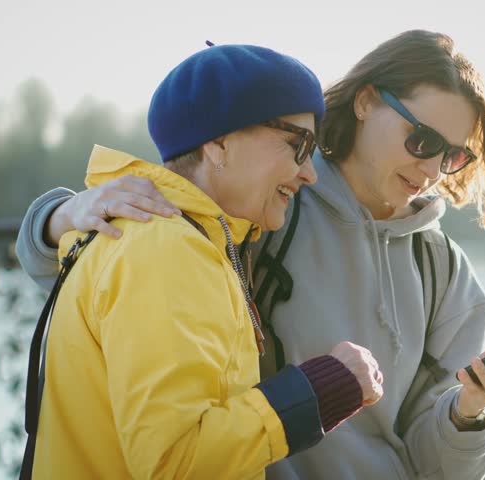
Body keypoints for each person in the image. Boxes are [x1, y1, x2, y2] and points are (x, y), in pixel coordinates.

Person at [16, 30, 485, 479]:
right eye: (421, 140)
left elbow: (440, 466)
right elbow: (111, 283)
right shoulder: (258, 214)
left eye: (452, 155)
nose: (432, 169)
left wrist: (471, 413)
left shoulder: (443, 272)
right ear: (365, 102)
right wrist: (61, 216)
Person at [19, 43, 384, 479]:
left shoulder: (169, 236)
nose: (309, 172)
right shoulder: (167, 250)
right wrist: (323, 390)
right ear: (218, 143)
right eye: (296, 144)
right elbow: (175, 461)